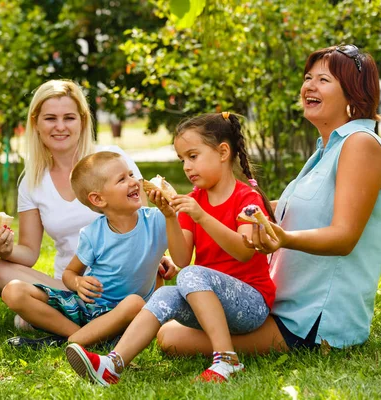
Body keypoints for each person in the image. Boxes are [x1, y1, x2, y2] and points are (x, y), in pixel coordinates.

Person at [156, 45, 381, 356]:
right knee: (172, 318)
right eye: (308, 77)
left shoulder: (360, 145)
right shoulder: (325, 152)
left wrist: (282, 238)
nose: (309, 85)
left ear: (353, 93)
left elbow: (344, 237)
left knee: (172, 338)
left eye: (323, 80)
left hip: (312, 320)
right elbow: (290, 208)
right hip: (281, 303)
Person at [65, 112, 276, 385]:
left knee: (191, 275)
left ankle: (227, 360)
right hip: (210, 304)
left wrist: (202, 217)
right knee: (166, 293)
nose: (187, 167)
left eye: (193, 156)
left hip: (251, 304)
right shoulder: (192, 201)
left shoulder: (246, 198)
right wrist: (169, 216)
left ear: (223, 152)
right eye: (182, 159)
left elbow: (245, 251)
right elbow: (181, 258)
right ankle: (112, 364)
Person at [0, 79, 176, 329]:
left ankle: (57, 318)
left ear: (83, 121)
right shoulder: (31, 181)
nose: (60, 127)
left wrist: (162, 254)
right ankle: (84, 322)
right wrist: (5, 249)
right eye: (51, 118)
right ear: (36, 123)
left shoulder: (112, 159)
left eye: (69, 118)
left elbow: (141, 214)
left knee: (25, 319)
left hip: (123, 280)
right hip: (72, 284)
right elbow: (29, 252)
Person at [1, 151, 176, 348]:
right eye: (122, 179)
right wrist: (78, 283)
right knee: (13, 291)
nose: (134, 181)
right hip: (88, 308)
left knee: (134, 302)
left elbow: (180, 252)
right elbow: (70, 273)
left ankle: (66, 341)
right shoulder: (93, 234)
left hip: (127, 314)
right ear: (98, 199)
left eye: (131, 175)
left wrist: (171, 218)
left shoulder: (158, 219)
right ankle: (84, 336)